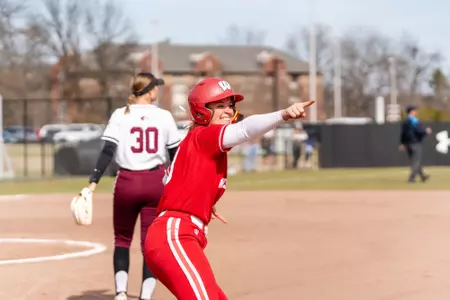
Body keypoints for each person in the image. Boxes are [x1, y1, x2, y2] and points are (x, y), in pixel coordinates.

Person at [143, 77, 315, 299]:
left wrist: (203, 201)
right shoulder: (204, 135)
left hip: (182, 236)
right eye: (219, 106)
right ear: (202, 111)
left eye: (230, 105)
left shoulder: (202, 143)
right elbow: (245, 129)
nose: (228, 111)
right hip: (175, 236)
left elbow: (174, 182)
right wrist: (282, 114)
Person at [72, 72, 182, 300]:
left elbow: (108, 151)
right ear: (150, 90)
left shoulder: (120, 114)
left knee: (122, 240)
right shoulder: (164, 116)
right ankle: (145, 296)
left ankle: (121, 294)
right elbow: (175, 155)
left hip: (126, 183)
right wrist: (182, 185)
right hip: (155, 183)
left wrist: (93, 180)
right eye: (156, 87)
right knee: (150, 245)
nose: (158, 91)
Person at [399, 105, 432, 183]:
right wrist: (426, 132)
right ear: (412, 111)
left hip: (408, 143)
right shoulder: (414, 120)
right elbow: (419, 131)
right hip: (415, 143)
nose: (416, 112)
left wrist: (402, 143)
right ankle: (411, 178)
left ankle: (422, 176)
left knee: (415, 161)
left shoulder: (405, 121)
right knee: (417, 161)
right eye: (415, 110)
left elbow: (403, 133)